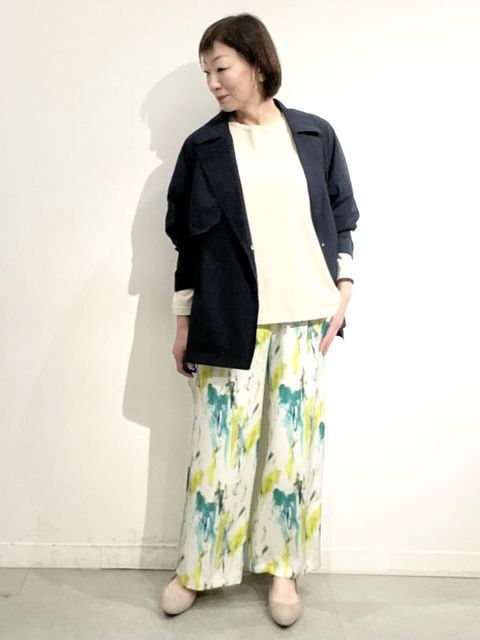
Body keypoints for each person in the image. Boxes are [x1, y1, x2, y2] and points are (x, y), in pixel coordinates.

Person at [161, 13, 359, 627]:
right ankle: (198, 568)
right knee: (218, 450)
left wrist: (345, 288)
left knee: (292, 453)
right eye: (206, 73)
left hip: (305, 316)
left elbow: (342, 215)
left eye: (221, 68)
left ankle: (283, 571)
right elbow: (186, 242)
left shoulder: (315, 135)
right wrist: (184, 321)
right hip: (228, 318)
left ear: (256, 61)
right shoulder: (203, 147)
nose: (213, 83)